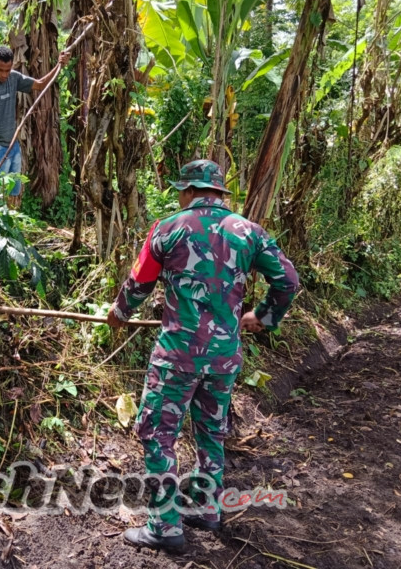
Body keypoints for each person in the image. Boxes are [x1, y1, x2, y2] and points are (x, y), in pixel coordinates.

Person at [106, 159, 300, 551]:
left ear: (191, 191)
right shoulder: (249, 232)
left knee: (157, 434)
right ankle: (208, 506)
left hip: (178, 356)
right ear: (219, 193)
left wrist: (119, 313)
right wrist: (263, 317)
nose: (180, 197)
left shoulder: (169, 227)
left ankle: (164, 527)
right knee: (211, 430)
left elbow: (140, 281)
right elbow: (288, 280)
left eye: (181, 190)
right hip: (224, 357)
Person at [0, 45, 70, 206]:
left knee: (13, 192)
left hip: (13, 145)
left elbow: (40, 84)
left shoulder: (13, 78)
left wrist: (59, 65)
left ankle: (12, 226)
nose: (4, 74)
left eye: (8, 70)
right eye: (0, 70)